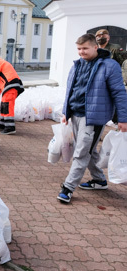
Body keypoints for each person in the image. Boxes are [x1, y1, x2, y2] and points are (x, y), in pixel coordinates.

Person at [57, 33, 127, 204]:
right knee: (90, 150)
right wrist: (66, 111)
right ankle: (99, 180)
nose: (81, 52)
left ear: (95, 47)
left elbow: (119, 93)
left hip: (94, 118)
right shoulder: (77, 65)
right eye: (79, 49)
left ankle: (68, 187)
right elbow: (70, 89)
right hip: (75, 115)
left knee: (82, 152)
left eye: (85, 48)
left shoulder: (109, 66)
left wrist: (123, 119)